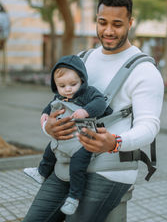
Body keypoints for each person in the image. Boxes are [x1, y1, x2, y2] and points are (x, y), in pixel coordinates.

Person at [23, 0, 164, 222]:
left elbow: (149, 127)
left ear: (130, 22)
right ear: (96, 20)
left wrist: (115, 142)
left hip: (110, 169)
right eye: (102, 22)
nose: (108, 31)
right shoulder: (83, 59)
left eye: (117, 24)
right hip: (68, 163)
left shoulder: (145, 71)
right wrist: (47, 127)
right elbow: (58, 103)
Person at [24, 55, 112, 216]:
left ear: (82, 81)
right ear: (55, 85)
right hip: (65, 138)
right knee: (50, 149)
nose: (68, 89)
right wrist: (44, 118)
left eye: (73, 84)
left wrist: (86, 111)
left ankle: (74, 197)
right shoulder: (59, 96)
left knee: (77, 166)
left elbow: (101, 103)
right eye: (62, 85)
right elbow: (48, 108)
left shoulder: (88, 93)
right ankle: (42, 171)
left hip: (85, 139)